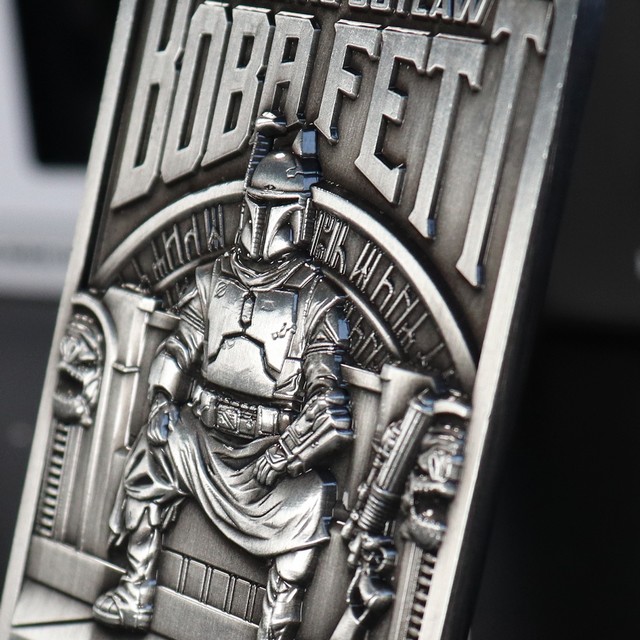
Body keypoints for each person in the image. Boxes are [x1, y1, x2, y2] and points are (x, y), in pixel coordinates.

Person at [93, 113, 353, 640]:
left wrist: (283, 457)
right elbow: (181, 344)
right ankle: (136, 590)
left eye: (276, 208)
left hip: (269, 456)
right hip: (202, 436)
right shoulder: (213, 280)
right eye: (256, 205)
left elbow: (328, 405)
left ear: (299, 213)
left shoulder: (317, 302)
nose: (263, 219)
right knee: (154, 451)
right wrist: (162, 399)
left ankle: (278, 623)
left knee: (311, 502)